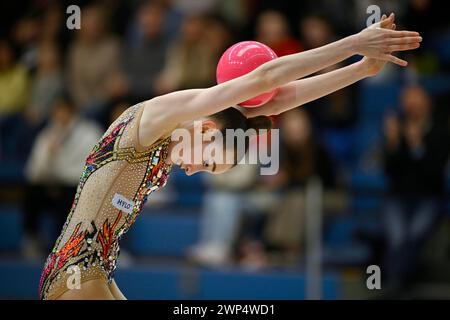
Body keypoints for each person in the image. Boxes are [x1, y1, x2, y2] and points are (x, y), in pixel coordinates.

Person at [38, 13, 422, 299]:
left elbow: (281, 97)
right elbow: (264, 80)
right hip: (78, 272)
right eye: (207, 162)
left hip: (96, 274)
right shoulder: (157, 117)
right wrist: (354, 42)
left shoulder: (178, 136)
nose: (193, 171)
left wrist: (361, 70)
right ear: (207, 131)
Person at [381, 84, 450, 292]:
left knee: (413, 235)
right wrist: (393, 143)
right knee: (398, 236)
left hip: (428, 197)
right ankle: (399, 286)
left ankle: (393, 286)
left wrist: (417, 145)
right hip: (398, 196)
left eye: (416, 100)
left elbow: (434, 171)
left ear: (427, 103)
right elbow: (389, 171)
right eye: (407, 101)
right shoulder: (397, 130)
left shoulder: (440, 132)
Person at [23, 94, 103, 259]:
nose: (59, 116)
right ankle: (32, 239)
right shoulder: (47, 135)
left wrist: (61, 175)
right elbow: (33, 172)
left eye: (63, 111)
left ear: (72, 112)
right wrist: (50, 155)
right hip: (50, 185)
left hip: (76, 188)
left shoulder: (89, 133)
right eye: (56, 112)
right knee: (32, 193)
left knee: (67, 196)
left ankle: (67, 247)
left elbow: (91, 168)